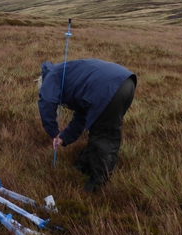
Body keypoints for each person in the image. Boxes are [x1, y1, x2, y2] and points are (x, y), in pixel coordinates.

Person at [36, 58, 137, 192]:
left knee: (105, 136)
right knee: (99, 126)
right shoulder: (67, 75)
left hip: (108, 88)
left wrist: (52, 131)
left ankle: (98, 185)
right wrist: (63, 137)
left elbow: (47, 102)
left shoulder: (51, 78)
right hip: (125, 82)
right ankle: (83, 167)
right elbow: (82, 116)